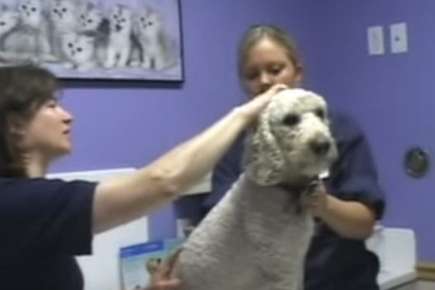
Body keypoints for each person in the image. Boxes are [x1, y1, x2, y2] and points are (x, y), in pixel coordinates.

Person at [0, 65, 285, 290]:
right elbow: (164, 181)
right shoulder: (16, 203)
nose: (67, 116)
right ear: (14, 125)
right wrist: (244, 115)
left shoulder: (28, 204)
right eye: (51, 105)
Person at [200, 25, 386, 290]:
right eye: (252, 75)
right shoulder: (234, 144)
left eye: (275, 70)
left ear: (297, 72)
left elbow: (364, 225)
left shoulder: (338, 129)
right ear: (244, 83)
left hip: (340, 281)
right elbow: (218, 229)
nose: (264, 81)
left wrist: (323, 205)